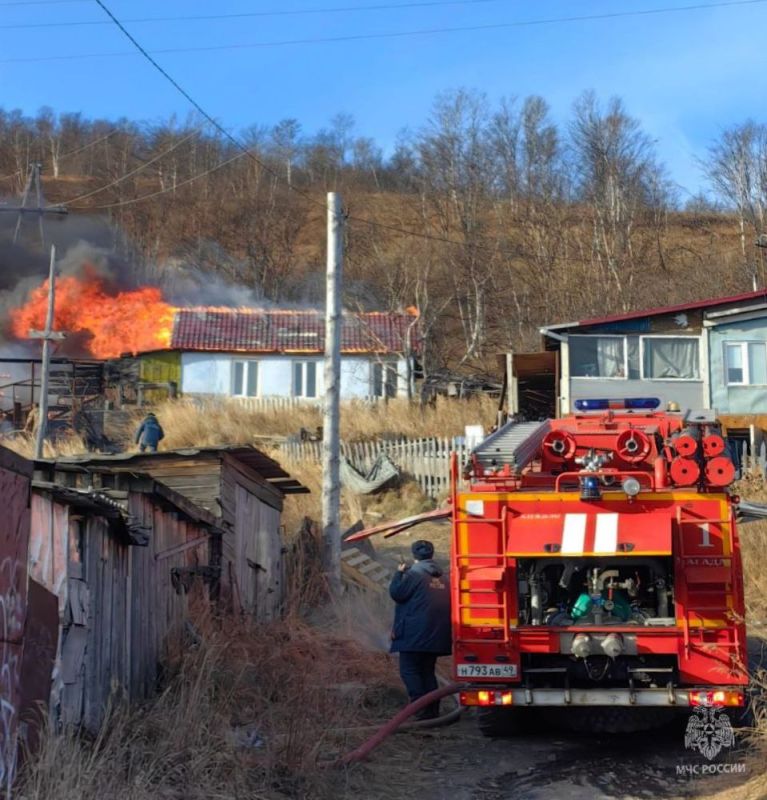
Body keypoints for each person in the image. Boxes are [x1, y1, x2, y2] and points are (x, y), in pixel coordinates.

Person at [389, 539, 452, 720]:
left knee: (409, 670)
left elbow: (397, 593)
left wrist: (398, 574)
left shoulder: (414, 573)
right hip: (437, 633)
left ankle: (419, 708)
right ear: (431, 554)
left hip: (414, 634)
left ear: (414, 555)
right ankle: (432, 710)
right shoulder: (442, 576)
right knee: (427, 671)